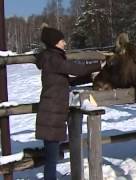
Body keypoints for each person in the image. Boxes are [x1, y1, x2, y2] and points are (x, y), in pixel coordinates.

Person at [35, 25, 105, 180]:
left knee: (52, 157)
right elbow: (74, 68)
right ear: (54, 42)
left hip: (52, 114)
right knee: (52, 160)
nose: (65, 43)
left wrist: (89, 77)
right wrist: (98, 65)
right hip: (51, 115)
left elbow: (67, 81)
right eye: (62, 40)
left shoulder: (52, 59)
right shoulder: (52, 58)